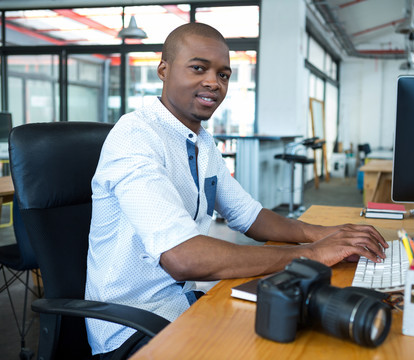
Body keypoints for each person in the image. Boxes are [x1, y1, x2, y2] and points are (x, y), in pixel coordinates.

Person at [85, 22, 387, 358]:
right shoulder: (136, 137)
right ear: (163, 71)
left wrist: (327, 235)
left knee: (303, 337)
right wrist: (311, 254)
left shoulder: (202, 141)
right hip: (132, 330)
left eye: (224, 75)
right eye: (198, 68)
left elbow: (249, 215)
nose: (214, 82)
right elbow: (183, 258)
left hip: (184, 307)